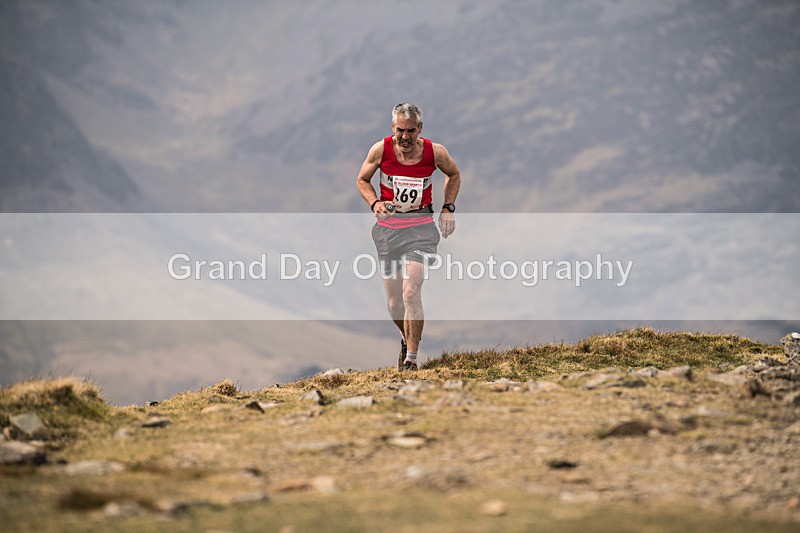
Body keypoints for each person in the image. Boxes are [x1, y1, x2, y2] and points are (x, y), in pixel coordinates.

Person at [356, 103, 461, 371]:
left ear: (420, 129)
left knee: (410, 291)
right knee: (394, 303)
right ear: (393, 128)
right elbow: (362, 180)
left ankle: (411, 361)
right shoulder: (380, 150)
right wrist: (375, 203)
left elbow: (454, 174)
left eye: (411, 131)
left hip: (422, 230)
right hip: (388, 232)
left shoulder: (435, 152)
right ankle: (406, 337)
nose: (405, 137)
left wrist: (448, 208)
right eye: (400, 130)